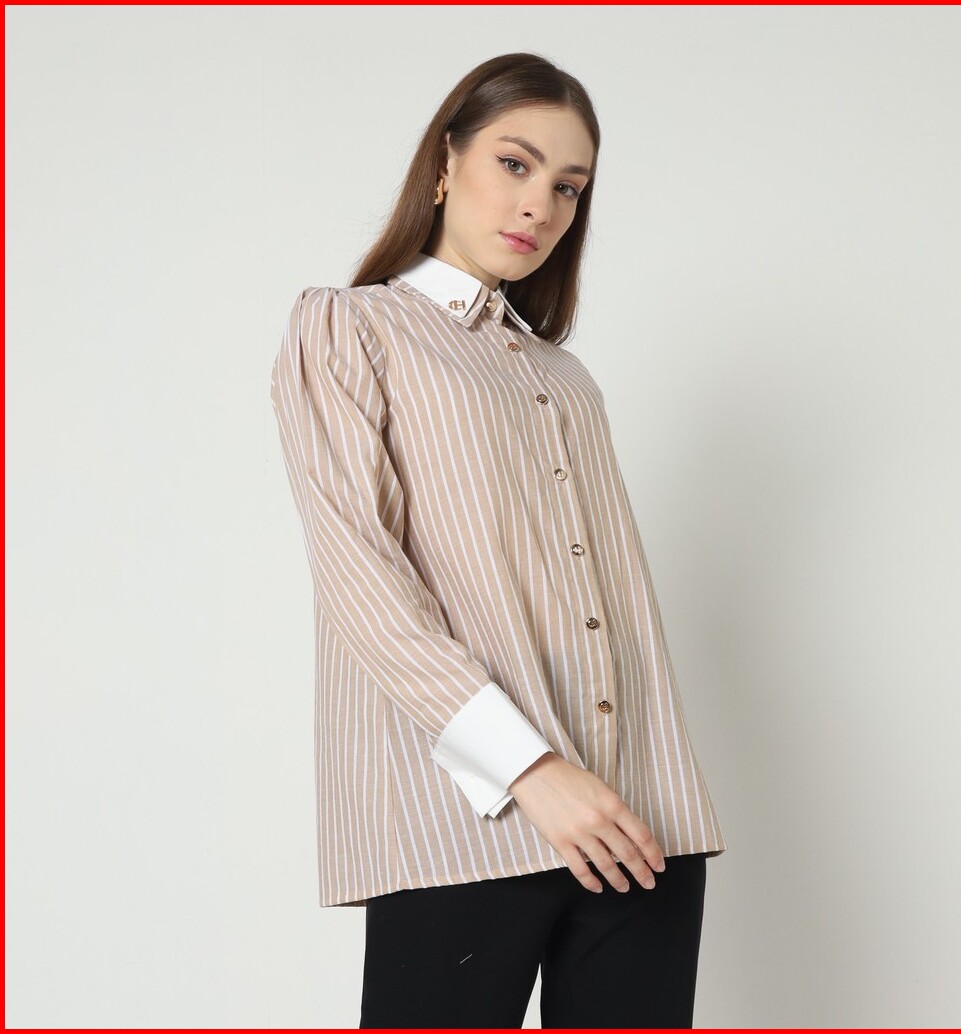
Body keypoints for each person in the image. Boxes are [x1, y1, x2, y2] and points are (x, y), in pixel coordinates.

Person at [269, 51, 727, 1029]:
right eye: (515, 164)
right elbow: (362, 581)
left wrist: (614, 783)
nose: (540, 205)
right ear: (445, 162)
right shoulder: (350, 329)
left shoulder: (564, 378)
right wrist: (528, 767)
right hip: (461, 816)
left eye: (568, 187)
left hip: (639, 815)